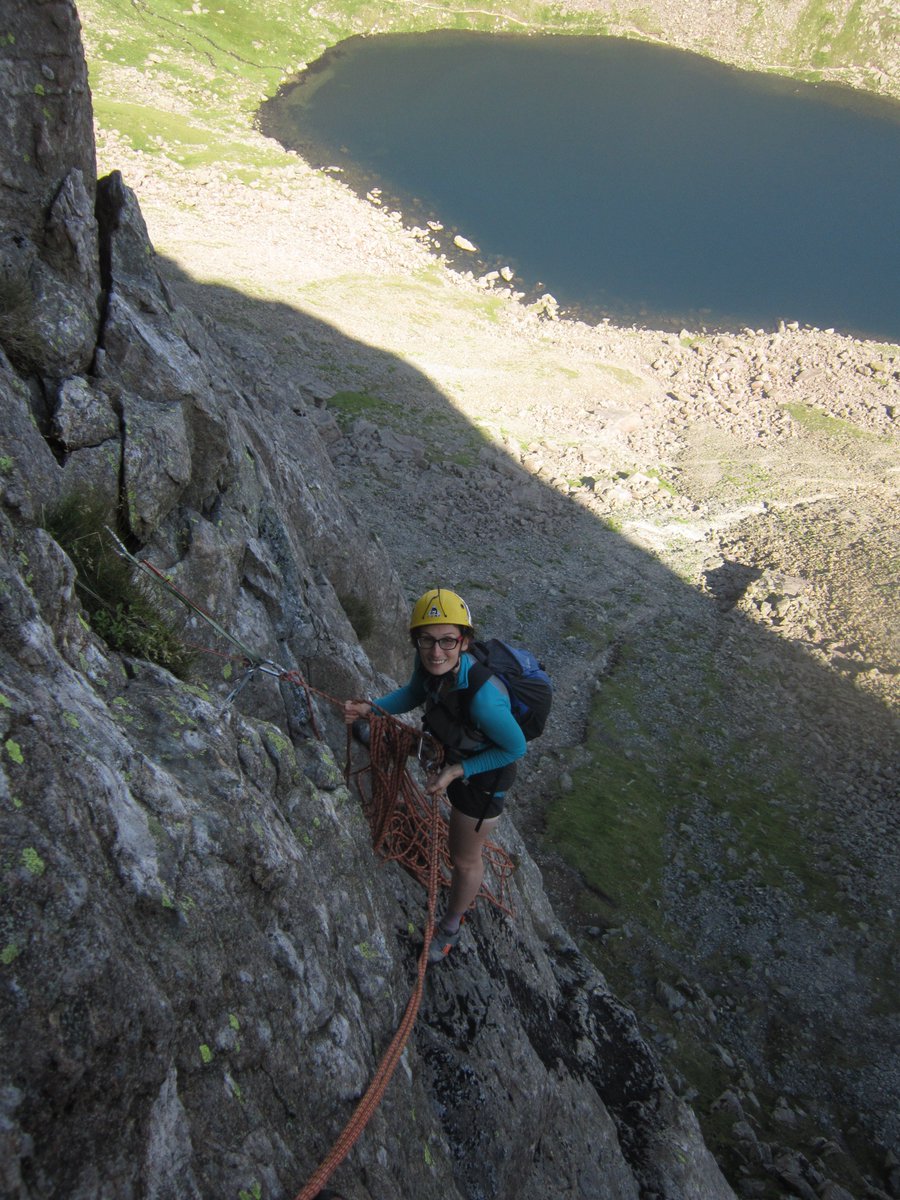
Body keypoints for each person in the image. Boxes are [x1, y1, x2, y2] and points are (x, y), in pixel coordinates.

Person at [344, 588, 526, 962]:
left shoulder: (483, 699)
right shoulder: (429, 664)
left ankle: (452, 924)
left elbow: (514, 748)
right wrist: (372, 711)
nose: (435, 651)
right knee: (428, 735)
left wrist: (457, 772)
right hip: (458, 746)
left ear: (464, 642)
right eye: (426, 640)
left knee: (463, 859)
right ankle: (392, 743)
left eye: (447, 641)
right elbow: (413, 694)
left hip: (484, 777)